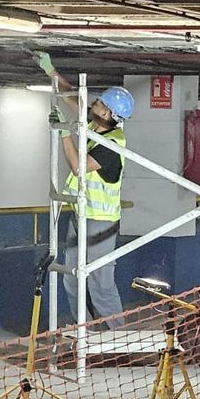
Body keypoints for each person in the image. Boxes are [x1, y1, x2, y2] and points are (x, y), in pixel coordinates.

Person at [35, 52, 134, 329]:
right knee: (71, 278)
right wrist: (51, 70)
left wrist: (64, 133)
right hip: (81, 215)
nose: (94, 104)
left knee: (101, 281)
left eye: (100, 103)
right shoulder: (95, 126)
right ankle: (88, 334)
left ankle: (119, 338)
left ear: (109, 114)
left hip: (101, 223)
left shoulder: (113, 144)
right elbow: (72, 97)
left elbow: (79, 167)